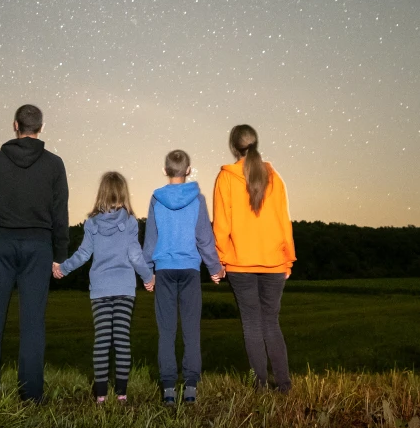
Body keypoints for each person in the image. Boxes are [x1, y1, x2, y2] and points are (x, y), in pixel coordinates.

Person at [0, 104, 69, 402]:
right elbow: (59, 213)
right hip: (39, 249)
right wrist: (60, 255)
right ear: (40, 128)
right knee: (33, 324)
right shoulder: (54, 164)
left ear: (15, 125)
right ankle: (31, 398)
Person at [52, 172, 153, 404]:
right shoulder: (129, 222)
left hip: (100, 290)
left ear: (102, 193)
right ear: (123, 193)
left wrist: (63, 268)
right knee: (122, 338)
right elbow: (136, 256)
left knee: (102, 339)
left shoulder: (92, 223)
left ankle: (100, 395)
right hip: (125, 288)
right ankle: (121, 394)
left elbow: (84, 254)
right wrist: (148, 277)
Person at [212, 124, 296, 393]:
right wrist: (287, 259)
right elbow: (284, 221)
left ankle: (258, 387)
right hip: (273, 262)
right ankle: (284, 385)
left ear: (233, 147)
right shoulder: (275, 178)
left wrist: (222, 259)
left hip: (239, 263)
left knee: (251, 324)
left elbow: (221, 226)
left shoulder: (225, 178)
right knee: (271, 322)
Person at [142, 150, 224, 406]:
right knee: (191, 330)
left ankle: (168, 389)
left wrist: (148, 272)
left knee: (166, 331)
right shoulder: (197, 199)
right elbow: (204, 238)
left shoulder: (156, 198)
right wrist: (215, 268)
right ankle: (190, 388)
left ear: (165, 170)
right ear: (188, 170)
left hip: (164, 270)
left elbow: (150, 239)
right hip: (189, 270)